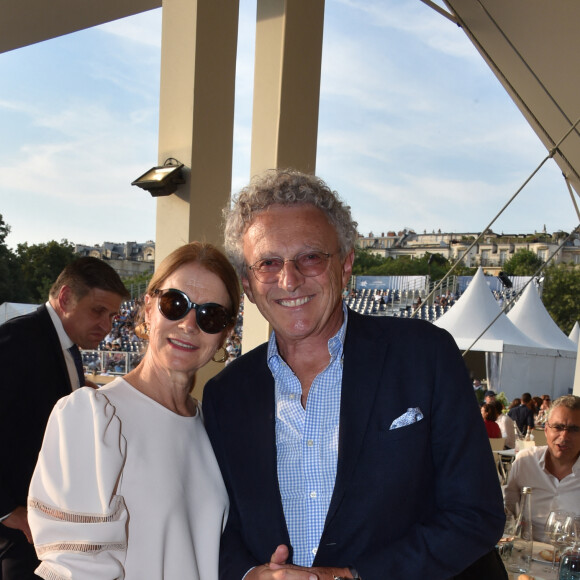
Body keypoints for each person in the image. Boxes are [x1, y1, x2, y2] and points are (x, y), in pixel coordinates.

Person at [203, 169, 505, 580]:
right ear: (249, 285)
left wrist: (353, 577)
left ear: (345, 266)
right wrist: (249, 573)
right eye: (268, 263)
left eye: (310, 257)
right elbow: (218, 526)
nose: (289, 280)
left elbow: (476, 514)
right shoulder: (226, 394)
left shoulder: (423, 355)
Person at [26, 242, 239, 579]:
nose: (188, 324)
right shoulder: (91, 418)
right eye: (175, 304)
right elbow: (72, 569)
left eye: (210, 315)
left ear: (225, 333)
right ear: (149, 307)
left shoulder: (216, 430)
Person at [0, 256, 129, 579]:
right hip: (20, 527)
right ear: (65, 297)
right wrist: (4, 511)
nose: (107, 325)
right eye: (98, 311)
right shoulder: (18, 341)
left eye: (113, 315)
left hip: (44, 523)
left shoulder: (61, 344)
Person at [504, 395, 580, 541]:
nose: (564, 436)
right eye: (558, 427)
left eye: (574, 429)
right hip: (526, 555)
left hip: (572, 559)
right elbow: (509, 512)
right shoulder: (525, 462)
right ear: (546, 430)